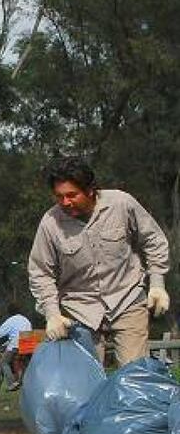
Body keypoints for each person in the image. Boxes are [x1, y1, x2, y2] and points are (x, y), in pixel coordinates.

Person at [28, 156, 170, 366]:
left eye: (72, 195)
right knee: (85, 385)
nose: (65, 202)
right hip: (79, 311)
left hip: (126, 299)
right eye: (59, 197)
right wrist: (52, 314)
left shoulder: (121, 204)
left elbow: (153, 240)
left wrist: (157, 284)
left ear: (90, 189)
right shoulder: (50, 224)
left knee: (134, 379)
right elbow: (40, 272)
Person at [0, 303, 32, 391]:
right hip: (28, 344)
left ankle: (11, 384)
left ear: (10, 312)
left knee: (3, 362)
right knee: (23, 363)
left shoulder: (11, 320)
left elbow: (2, 330)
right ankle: (23, 382)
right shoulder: (26, 320)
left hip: (17, 344)